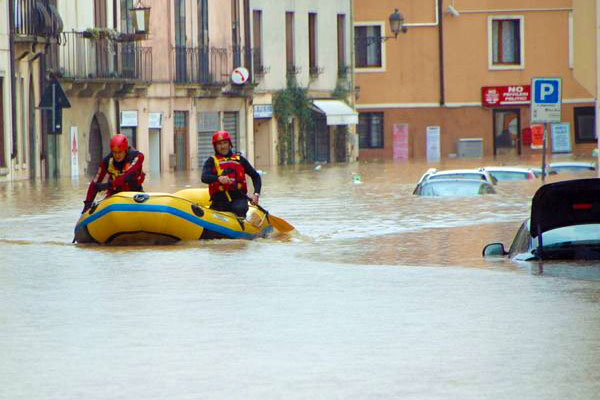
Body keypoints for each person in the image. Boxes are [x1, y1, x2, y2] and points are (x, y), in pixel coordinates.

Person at [201, 130, 261, 218]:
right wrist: (218, 178)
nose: (223, 146)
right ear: (215, 146)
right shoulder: (211, 161)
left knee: (239, 208)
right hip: (219, 201)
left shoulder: (240, 160)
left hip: (238, 200)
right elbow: (204, 177)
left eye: (225, 143)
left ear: (229, 144)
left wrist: (256, 194)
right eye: (219, 144)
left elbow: (256, 176)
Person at [82, 134, 145, 213]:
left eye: (120, 152)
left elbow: (126, 176)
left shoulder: (137, 157)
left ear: (125, 150)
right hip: (115, 196)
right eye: (114, 152)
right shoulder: (107, 161)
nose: (117, 155)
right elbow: (95, 183)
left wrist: (107, 185)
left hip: (135, 193)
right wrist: (87, 204)